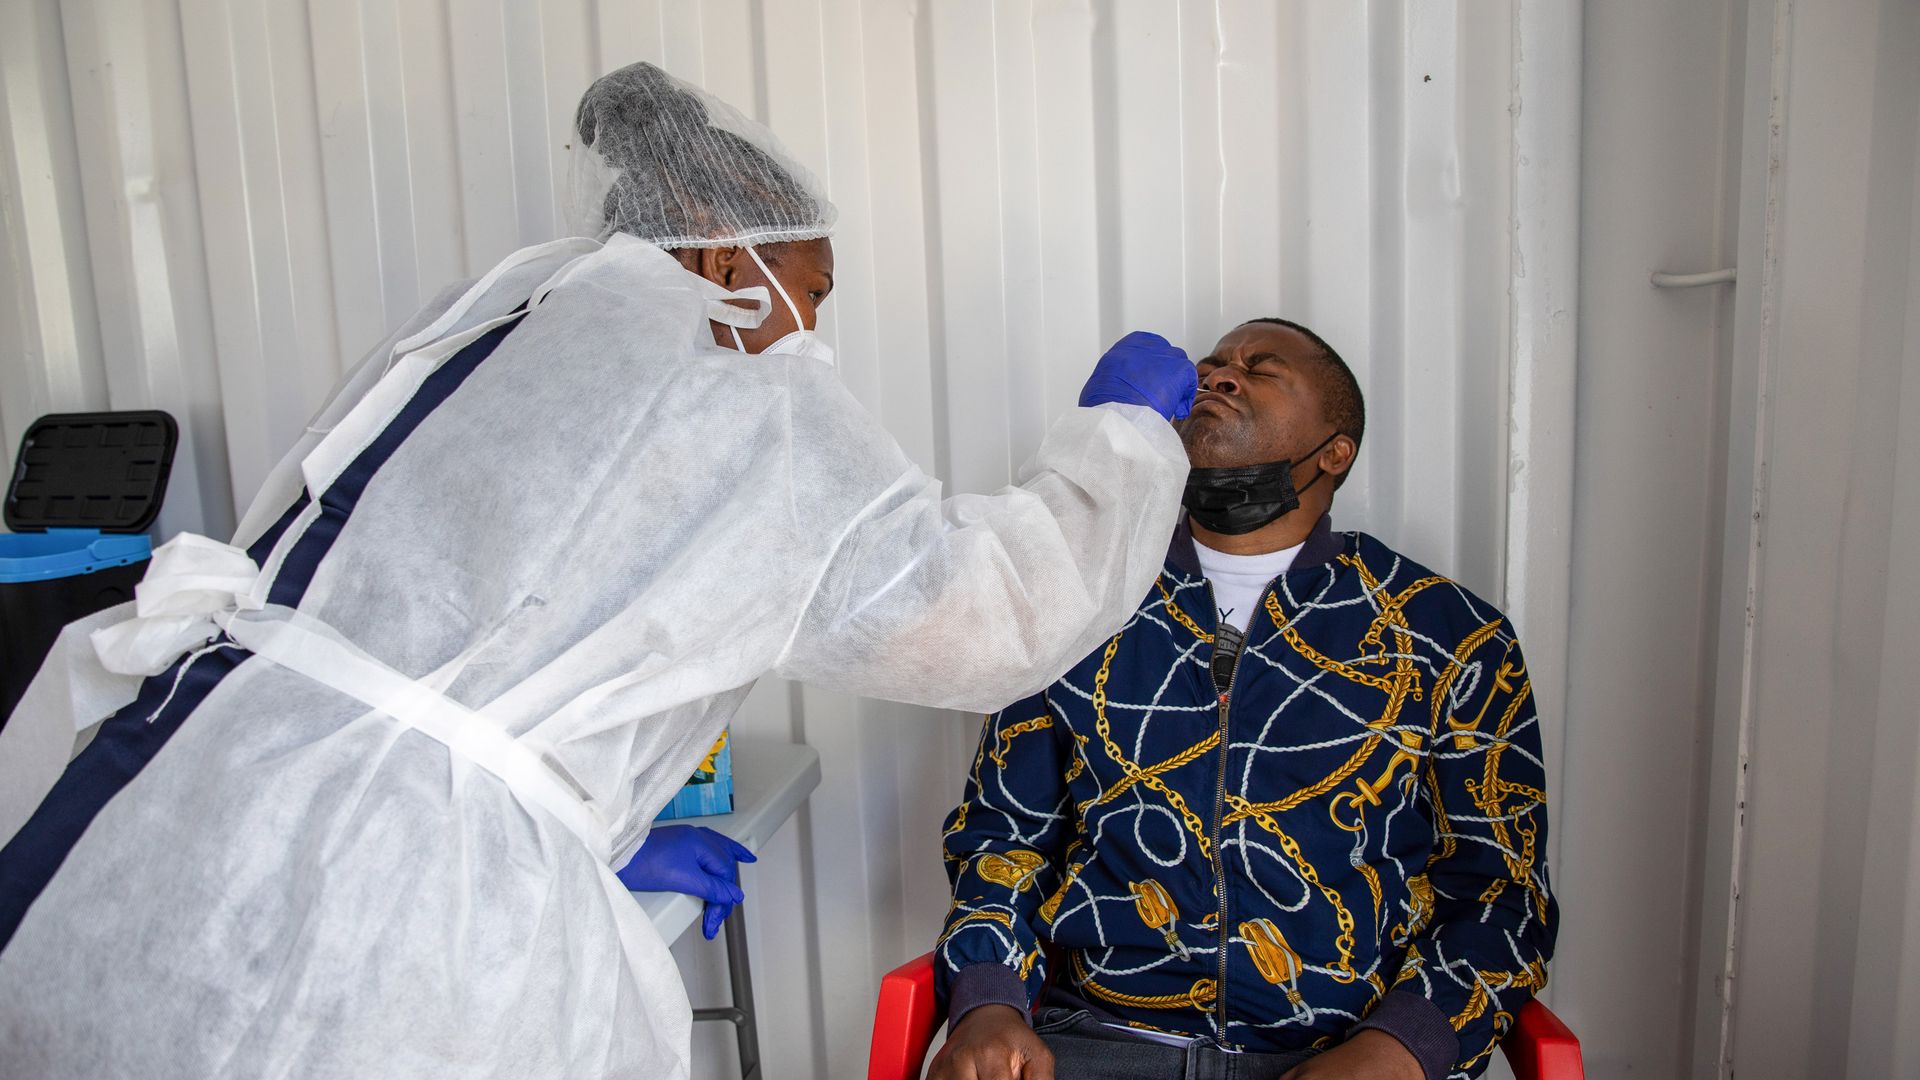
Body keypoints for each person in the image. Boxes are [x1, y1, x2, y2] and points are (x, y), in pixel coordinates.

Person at [0, 63, 1197, 1079]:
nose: (811, 333)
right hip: (377, 900)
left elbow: (419, 615)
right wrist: (1122, 446)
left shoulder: (488, 323)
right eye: (812, 291)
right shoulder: (741, 408)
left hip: (170, 790)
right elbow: (986, 620)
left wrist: (595, 822)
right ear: (727, 254)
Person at [930, 318, 1556, 1080]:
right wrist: (988, 1000)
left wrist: (1398, 1049)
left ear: (1335, 451)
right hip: (1102, 1040)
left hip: (1340, 1055)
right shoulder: (1082, 602)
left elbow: (1502, 892)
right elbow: (1002, 839)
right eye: (1211, 365)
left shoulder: (1447, 634)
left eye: (1261, 369)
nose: (1218, 376)